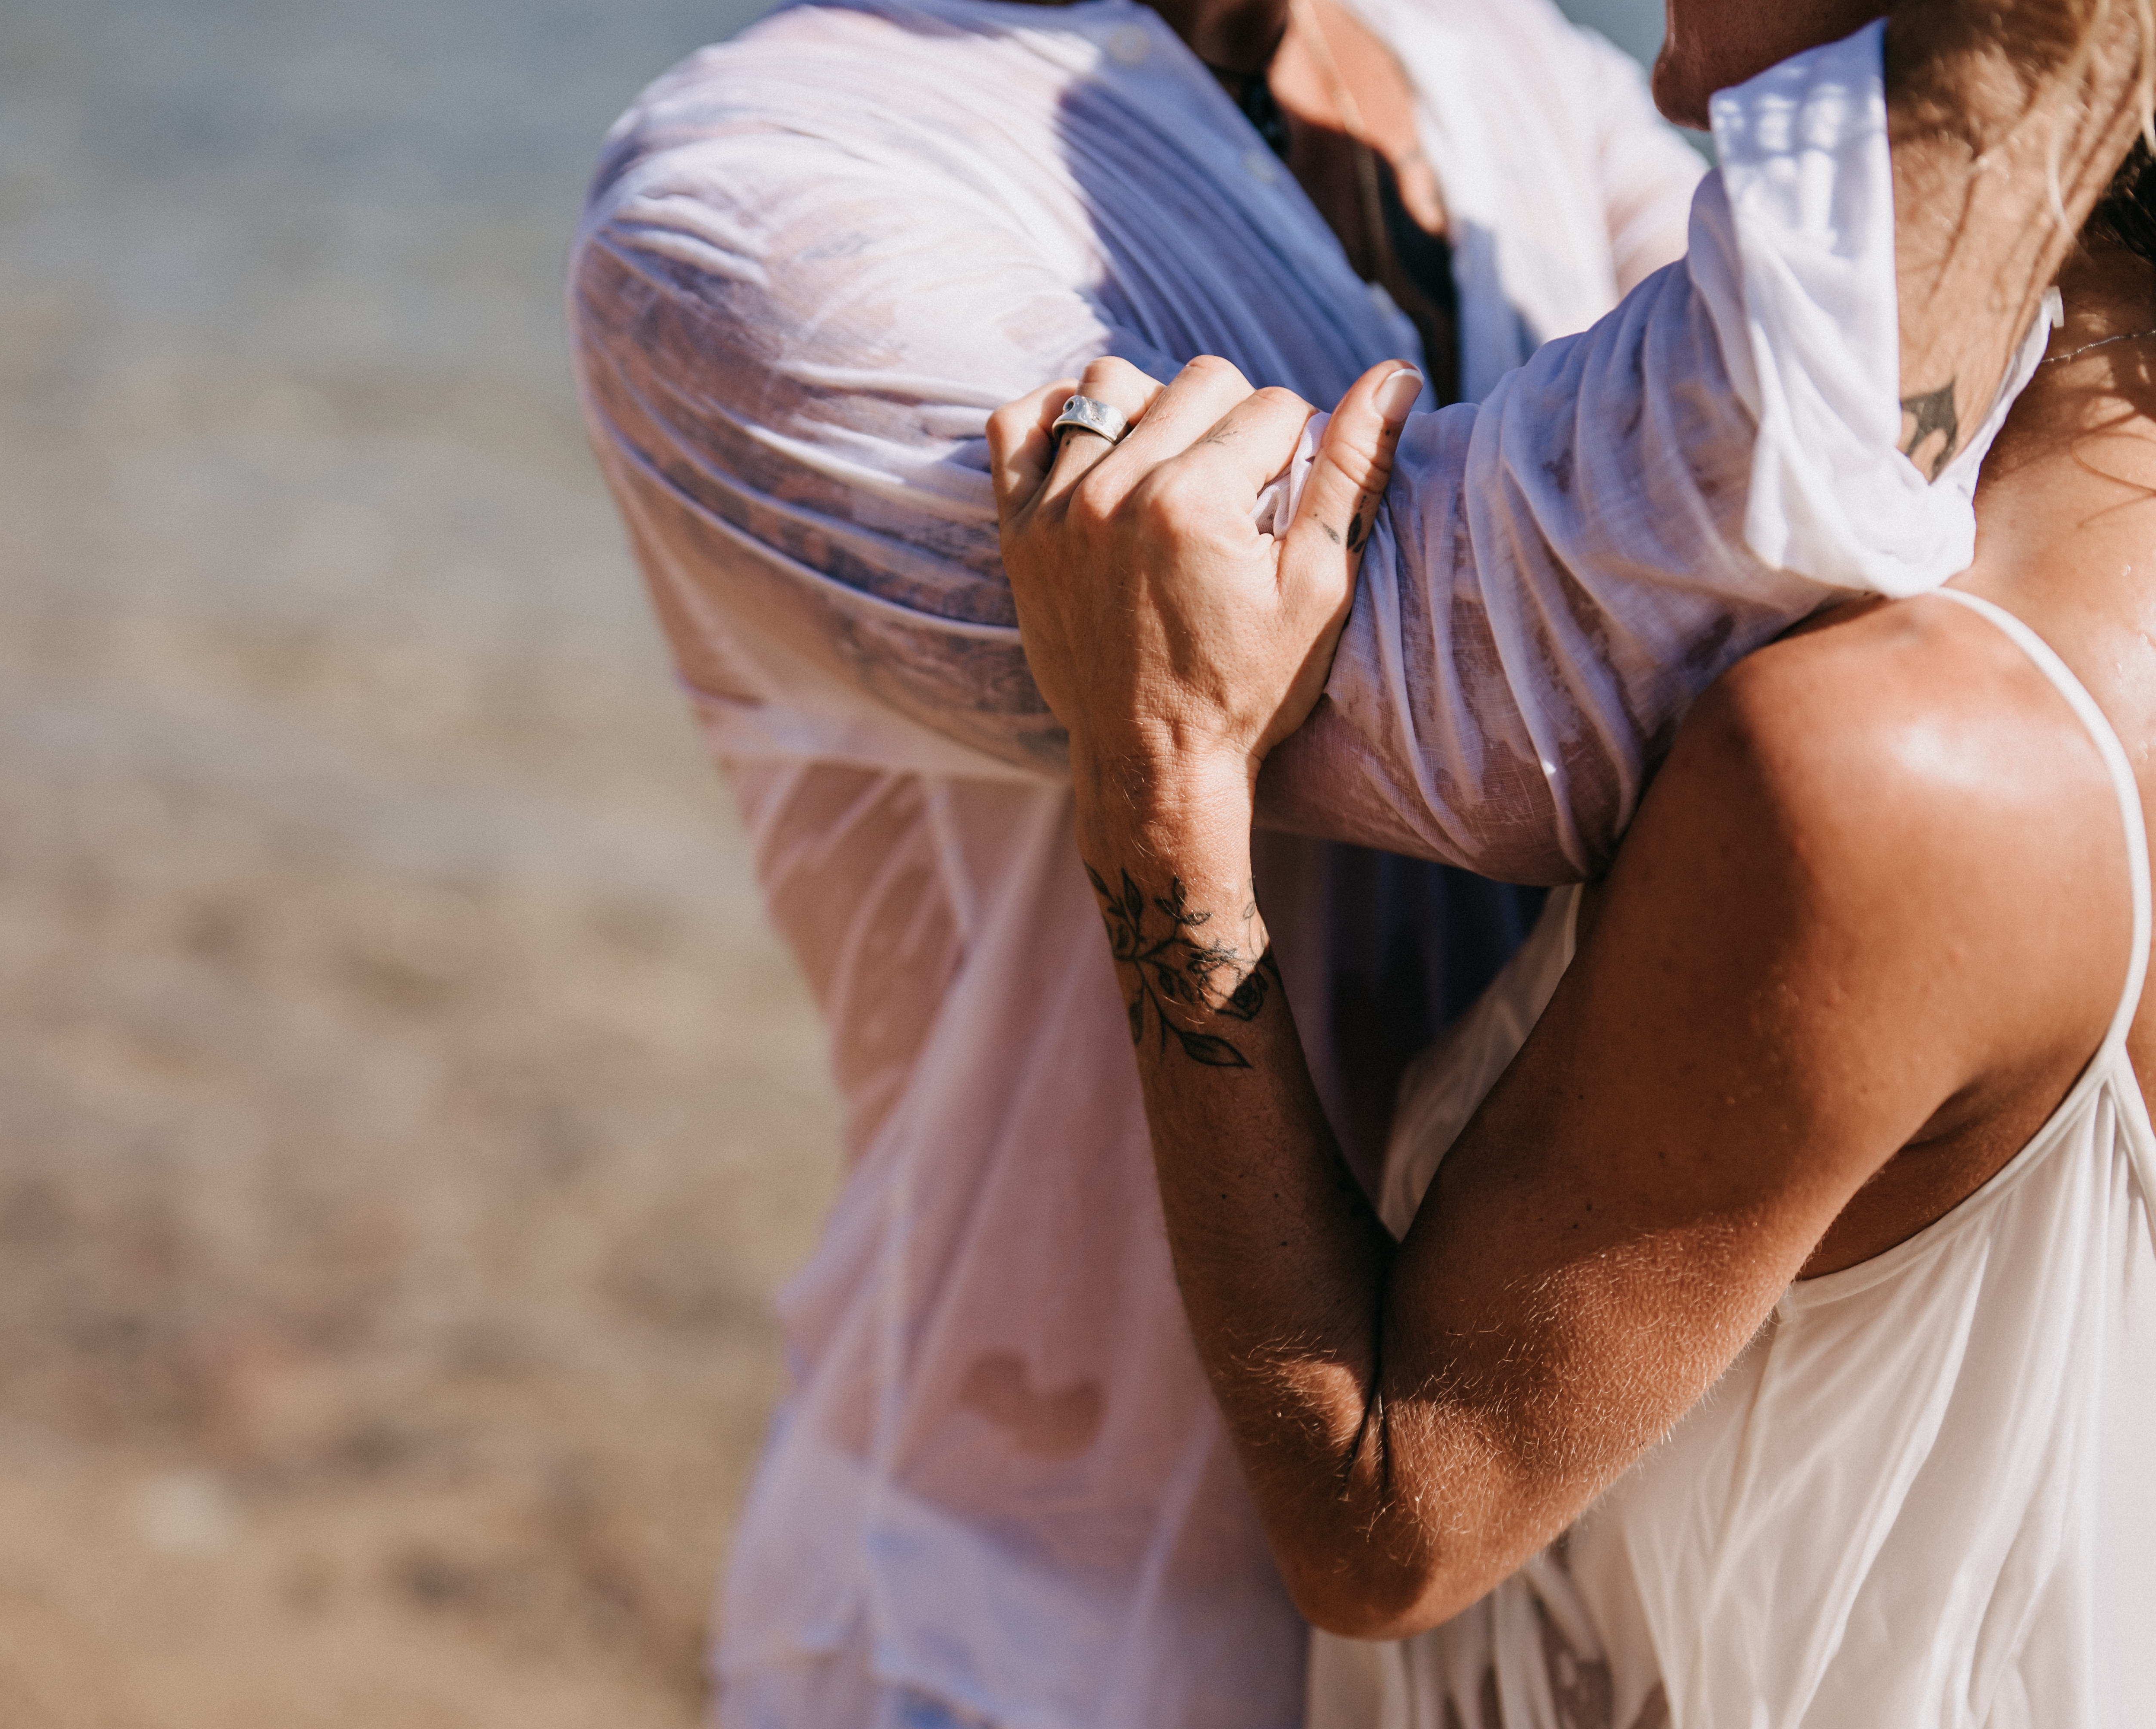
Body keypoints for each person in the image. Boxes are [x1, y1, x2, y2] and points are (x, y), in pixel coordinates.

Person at [571, 0, 2136, 1723]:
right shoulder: (753, 205)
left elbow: (1796, 532)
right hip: (1025, 1647)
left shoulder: (1502, 74)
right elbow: (1518, 672)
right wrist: (2030, 61)